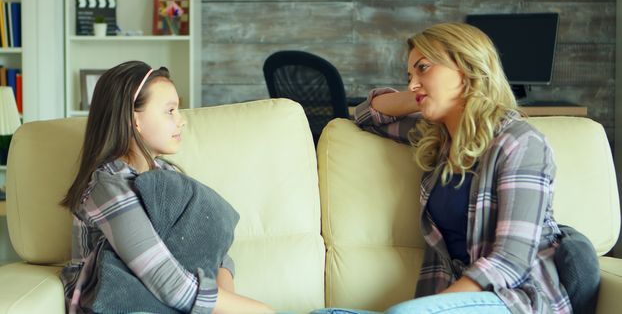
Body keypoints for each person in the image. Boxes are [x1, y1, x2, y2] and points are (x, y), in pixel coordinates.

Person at [314, 22, 572, 314]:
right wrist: (423, 91)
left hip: (515, 301)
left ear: (466, 67)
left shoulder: (520, 143)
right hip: (453, 303)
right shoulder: (436, 140)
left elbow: (511, 261)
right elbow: (366, 115)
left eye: (423, 67)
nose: (411, 83)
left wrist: (434, 308)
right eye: (409, 75)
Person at [59, 61, 274, 314]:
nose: (181, 121)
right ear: (133, 120)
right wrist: (262, 311)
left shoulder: (167, 175)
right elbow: (169, 283)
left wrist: (227, 303)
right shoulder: (107, 187)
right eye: (170, 111)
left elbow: (216, 250)